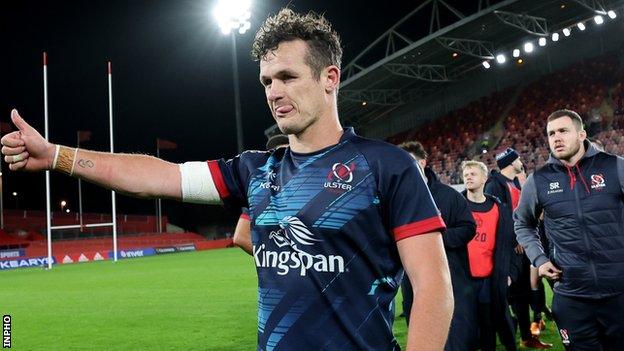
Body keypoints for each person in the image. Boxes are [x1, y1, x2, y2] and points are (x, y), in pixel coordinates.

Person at [2, 9, 454, 350]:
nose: (274, 92)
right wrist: (57, 155)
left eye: (287, 77)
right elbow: (158, 177)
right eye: (265, 81)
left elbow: (433, 287)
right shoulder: (255, 170)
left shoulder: (386, 167)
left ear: (329, 78)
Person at [515, 109, 624, 350]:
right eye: (551, 133)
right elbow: (522, 222)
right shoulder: (539, 180)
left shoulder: (615, 167)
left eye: (563, 131)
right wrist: (539, 259)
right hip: (572, 296)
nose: (556, 137)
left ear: (581, 134)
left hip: (619, 291)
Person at [398, 141, 478, 351]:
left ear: (423, 162)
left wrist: (435, 241)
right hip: (413, 281)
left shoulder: (449, 195)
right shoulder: (397, 200)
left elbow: (468, 227)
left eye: (409, 162)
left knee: (455, 334)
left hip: (451, 277)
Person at [485, 148, 552, 349]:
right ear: (511, 162)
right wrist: (514, 240)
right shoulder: (494, 185)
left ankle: (526, 336)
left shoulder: (514, 182)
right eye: (518, 159)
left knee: (522, 294)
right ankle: (494, 336)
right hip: (510, 250)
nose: (520, 161)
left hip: (523, 248)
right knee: (508, 295)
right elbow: (497, 218)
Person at [461, 160, 517, 351]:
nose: (468, 176)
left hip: (488, 279)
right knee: (463, 330)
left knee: (488, 327)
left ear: (484, 178)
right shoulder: (457, 206)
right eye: (466, 174)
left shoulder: (498, 208)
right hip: (461, 280)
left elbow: (508, 244)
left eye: (473, 173)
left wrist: (509, 272)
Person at [233, 134, 289, 255]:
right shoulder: (258, 193)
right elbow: (241, 237)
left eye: (287, 153)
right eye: (278, 154)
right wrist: (276, 260)